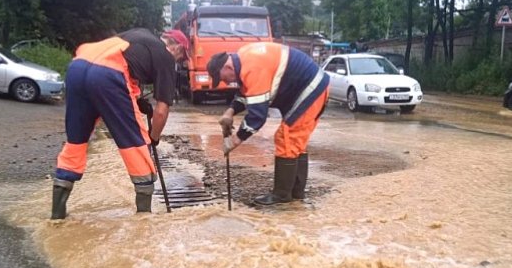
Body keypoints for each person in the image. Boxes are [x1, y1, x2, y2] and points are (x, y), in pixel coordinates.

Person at [51, 28, 189, 219]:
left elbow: (127, 69)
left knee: (76, 141)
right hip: (108, 75)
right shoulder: (165, 56)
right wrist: (153, 139)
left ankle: (57, 216)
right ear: (178, 47)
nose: (179, 62)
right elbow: (161, 111)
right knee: (137, 144)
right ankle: (145, 220)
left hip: (77, 67)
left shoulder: (138, 37)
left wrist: (137, 99)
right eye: (182, 57)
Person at [208, 42, 329, 206]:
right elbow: (248, 93)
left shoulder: (252, 68)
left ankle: (282, 195)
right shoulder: (245, 58)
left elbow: (257, 117)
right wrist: (230, 111)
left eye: (223, 78)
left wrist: (234, 141)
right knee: (295, 142)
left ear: (228, 67)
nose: (226, 83)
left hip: (311, 89)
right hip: (309, 87)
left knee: (287, 137)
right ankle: (296, 194)